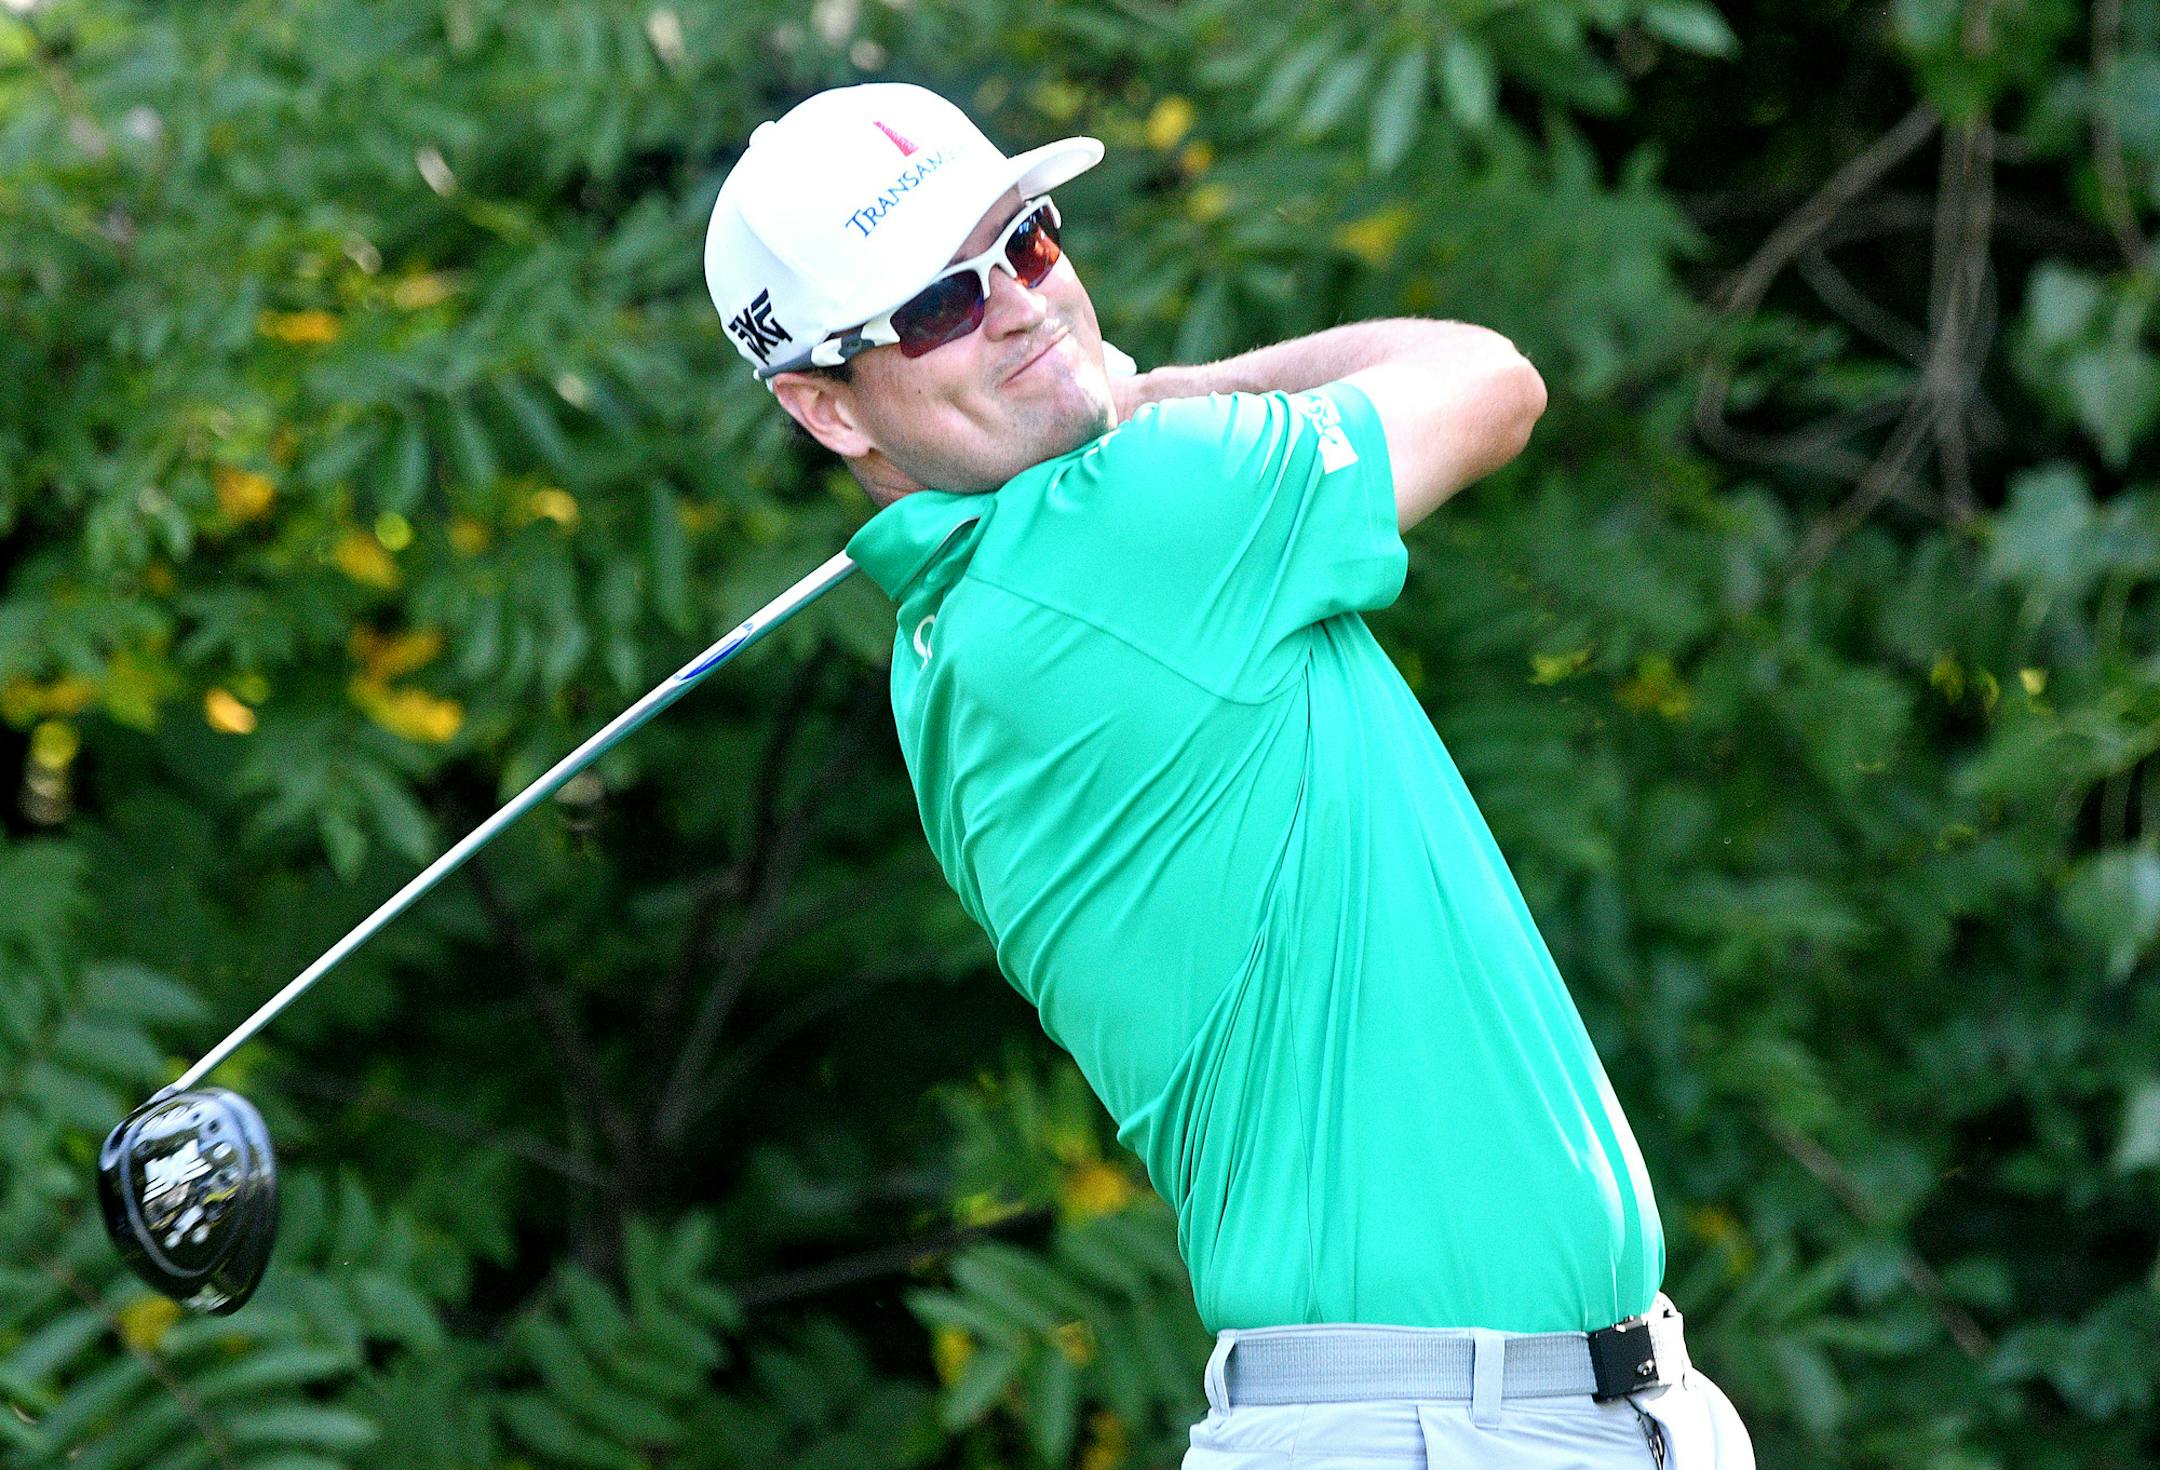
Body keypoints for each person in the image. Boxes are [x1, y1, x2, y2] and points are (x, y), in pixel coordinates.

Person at [705, 81, 1755, 1469]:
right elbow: (1492, 381)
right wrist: (1177, 392)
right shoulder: (1120, 529)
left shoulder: (964, 638)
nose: (1022, 302)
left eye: (1025, 242)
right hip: (1437, 1430)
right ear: (829, 410)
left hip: (1510, 1414)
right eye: (940, 305)